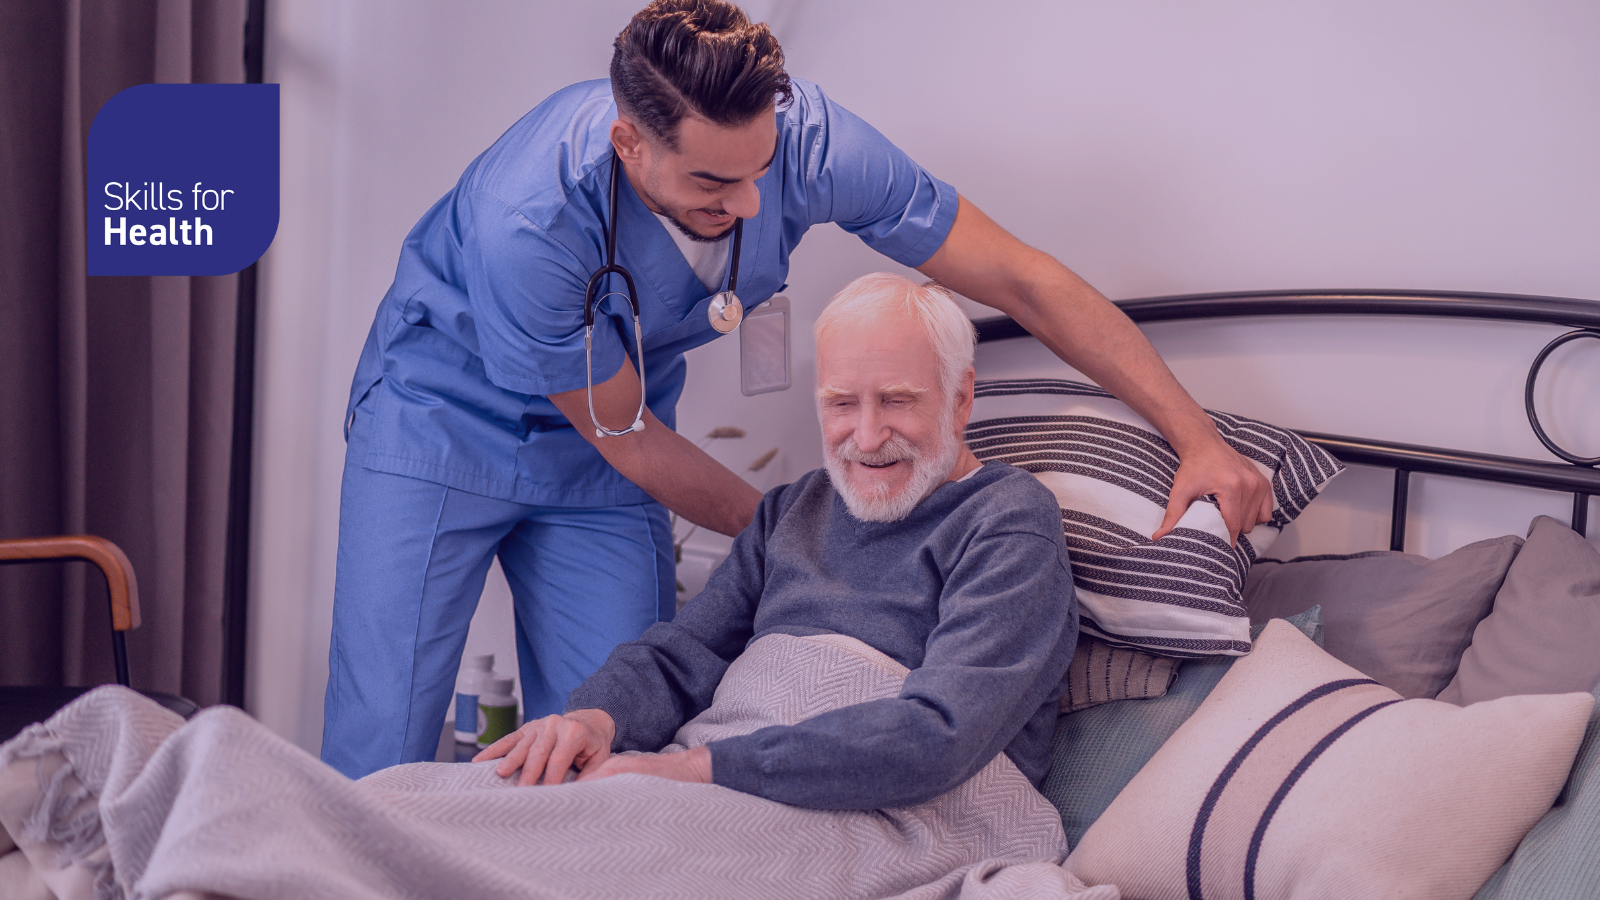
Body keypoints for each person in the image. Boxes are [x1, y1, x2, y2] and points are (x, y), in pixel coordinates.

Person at [325, 0, 1272, 779]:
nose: (746, 205)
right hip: (443, 427)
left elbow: (1019, 278)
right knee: (385, 739)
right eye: (710, 184)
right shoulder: (525, 219)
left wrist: (1196, 436)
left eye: (760, 172)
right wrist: (818, 540)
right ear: (628, 145)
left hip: (614, 454)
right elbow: (634, 441)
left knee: (605, 738)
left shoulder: (811, 142)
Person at [475, 273, 1077, 806]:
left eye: (897, 400)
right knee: (431, 805)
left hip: (869, 802)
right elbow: (685, 655)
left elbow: (942, 735)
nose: (866, 438)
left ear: (961, 398)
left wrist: (702, 769)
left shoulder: (1006, 520)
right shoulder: (794, 508)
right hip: (724, 766)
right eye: (842, 403)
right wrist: (597, 718)